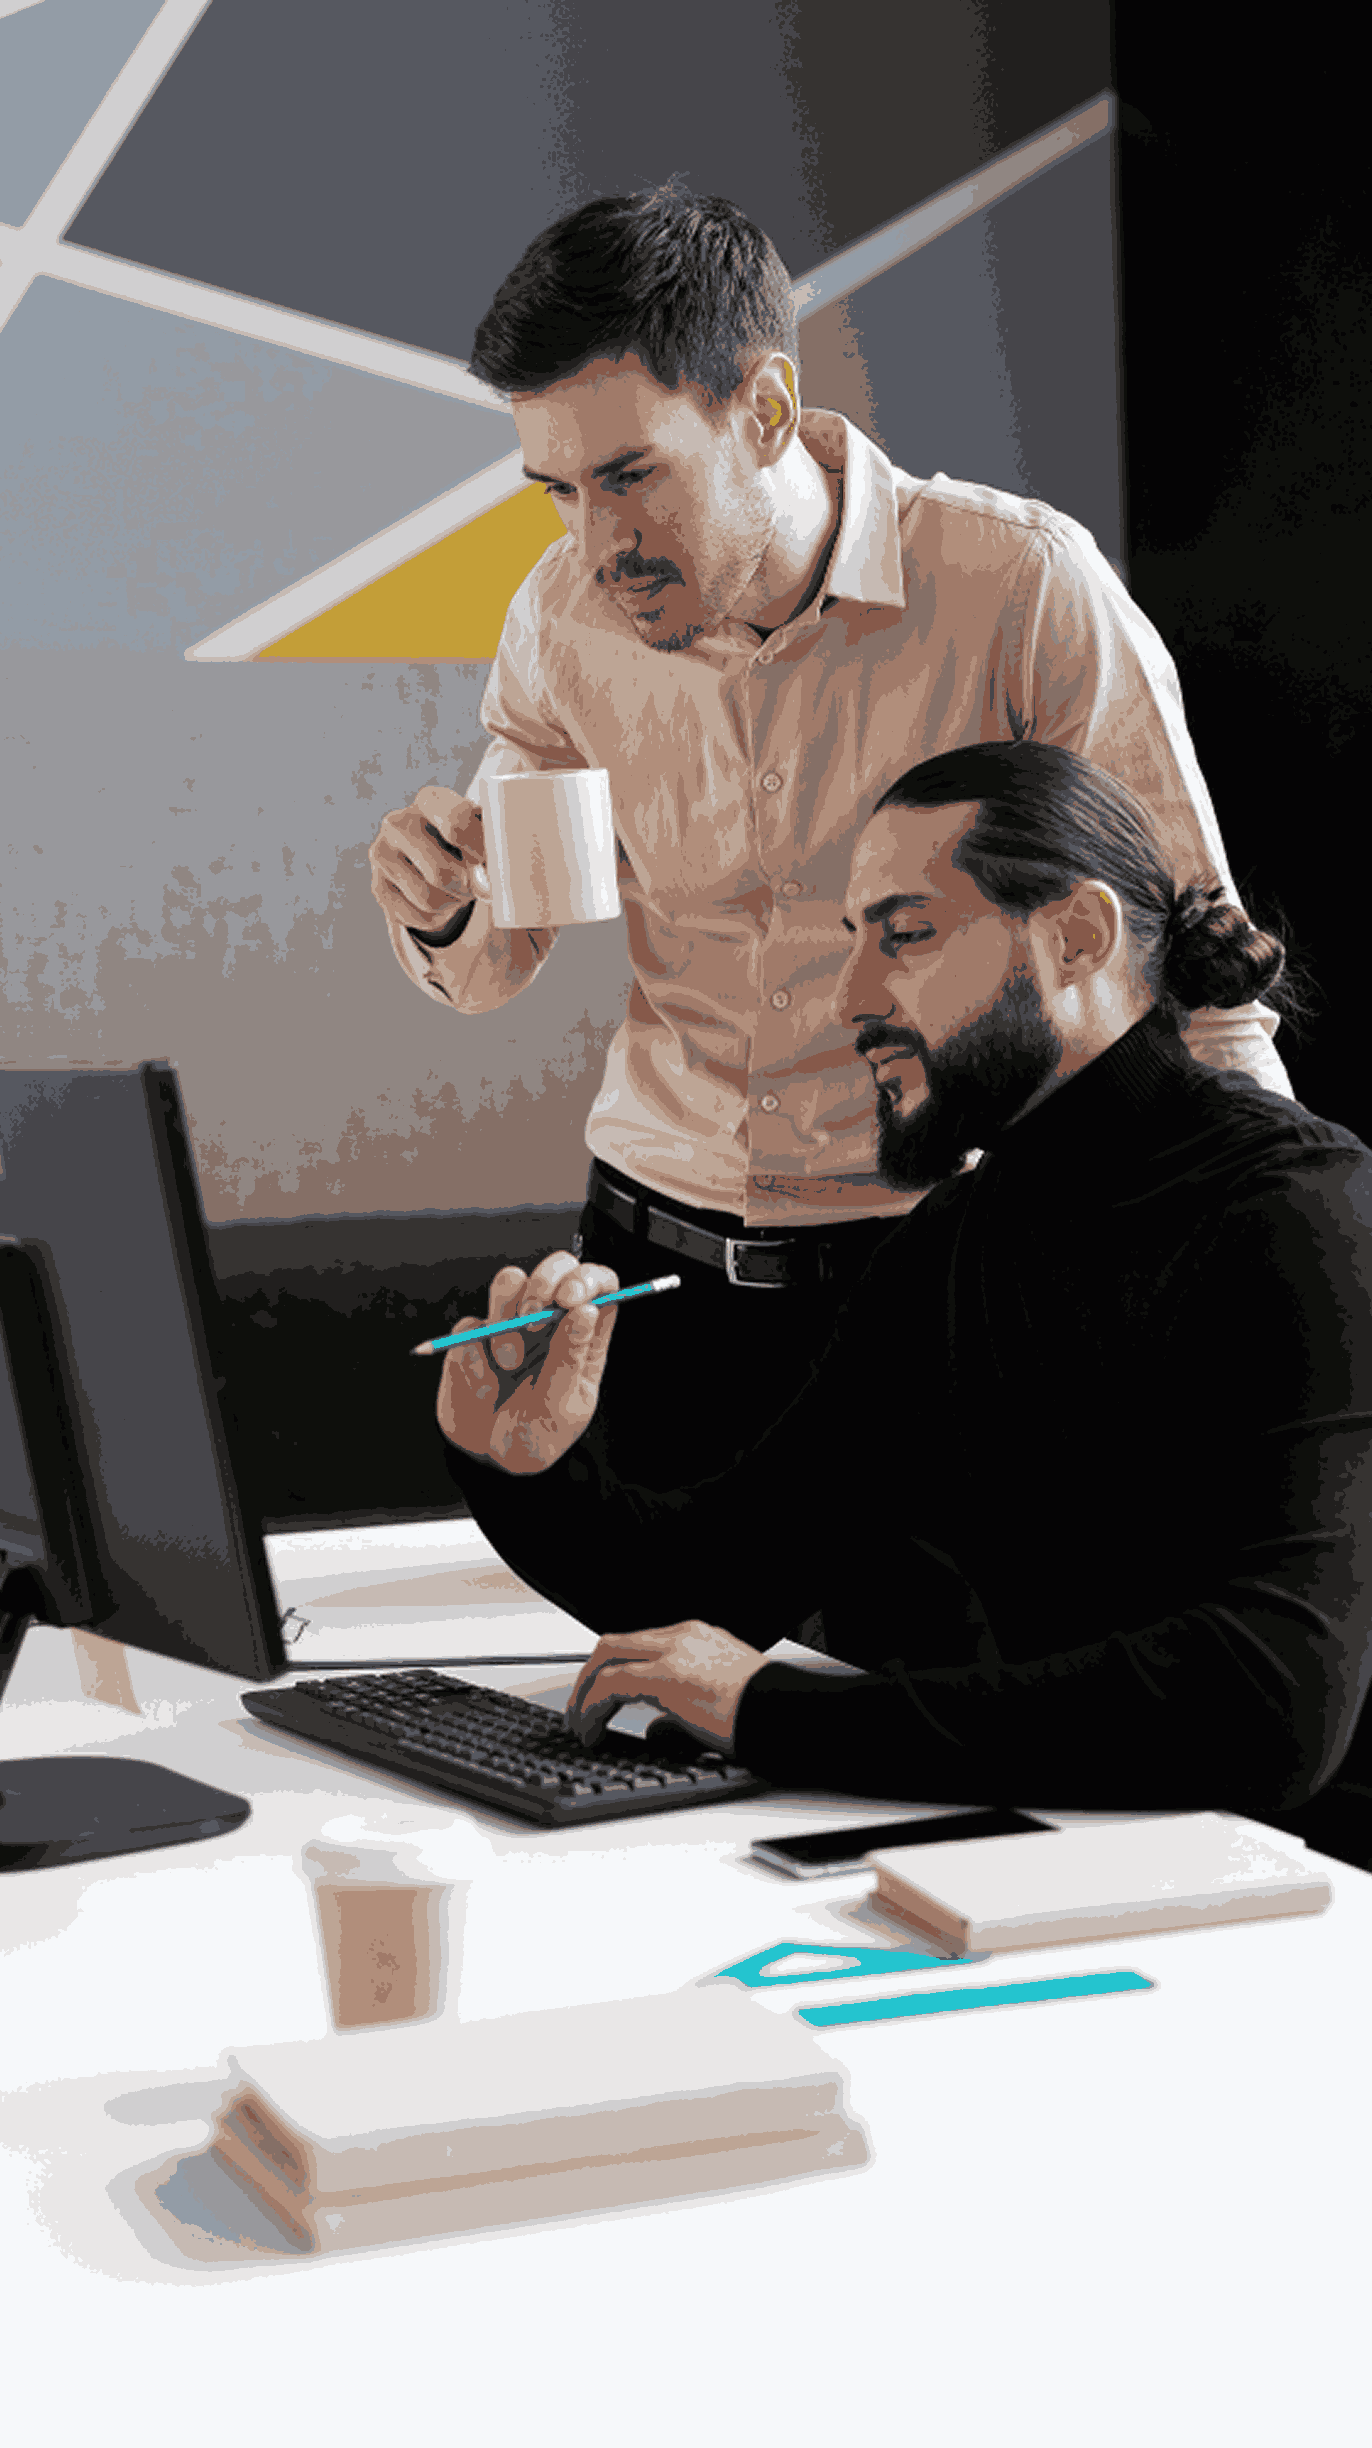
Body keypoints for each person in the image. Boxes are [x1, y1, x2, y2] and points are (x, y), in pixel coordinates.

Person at [369, 185, 1293, 1517]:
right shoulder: (561, 619)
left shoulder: (1020, 588)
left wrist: (1288, 1261)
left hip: (946, 1274)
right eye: (558, 491)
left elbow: (1198, 966)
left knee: (937, 1651)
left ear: (760, 409)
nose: (597, 544)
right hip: (653, 1281)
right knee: (644, 1647)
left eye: (629, 476)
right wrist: (444, 906)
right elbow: (496, 954)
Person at [433, 743, 1372, 1817]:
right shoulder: (959, 1234)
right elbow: (716, 1586)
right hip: (1074, 1849)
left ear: (1076, 936)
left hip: (1296, 1883)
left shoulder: (1299, 1209)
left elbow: (1269, 1700)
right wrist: (525, 1464)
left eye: (907, 935)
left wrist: (776, 1715)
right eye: (853, 941)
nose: (852, 997)